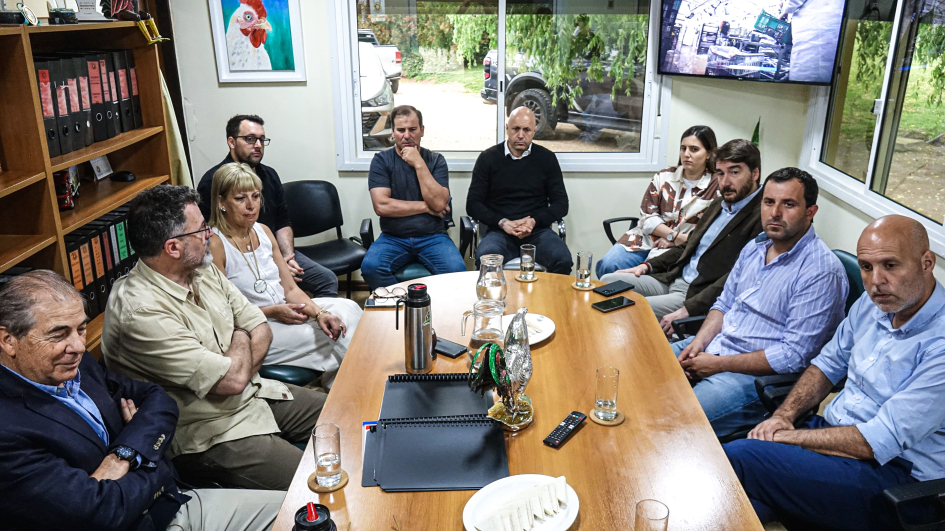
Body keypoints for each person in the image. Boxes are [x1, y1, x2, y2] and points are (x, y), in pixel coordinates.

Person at [0, 270, 283, 531]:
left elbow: (157, 399)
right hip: (145, 521)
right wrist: (151, 459)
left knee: (308, 512)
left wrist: (124, 455)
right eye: (58, 334)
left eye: (81, 329)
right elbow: (100, 512)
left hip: (175, 503)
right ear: (8, 340)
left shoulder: (73, 362)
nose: (78, 346)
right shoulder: (7, 430)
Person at [725, 215, 945, 531]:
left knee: (741, 458)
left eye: (890, 265)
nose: (875, 281)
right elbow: (827, 365)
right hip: (836, 437)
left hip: (895, 477)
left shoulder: (940, 342)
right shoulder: (877, 304)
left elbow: (878, 441)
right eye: (866, 267)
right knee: (742, 493)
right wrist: (783, 417)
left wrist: (783, 438)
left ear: (927, 263)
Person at [102, 185, 326, 490]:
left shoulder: (200, 268)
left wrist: (240, 350)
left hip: (255, 392)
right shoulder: (140, 312)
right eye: (202, 229)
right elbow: (231, 379)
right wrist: (240, 333)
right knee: (317, 483)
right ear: (173, 248)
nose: (210, 234)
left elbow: (260, 327)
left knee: (347, 416)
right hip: (208, 432)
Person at [672, 168, 848, 439]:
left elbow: (793, 356)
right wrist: (699, 343)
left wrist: (718, 364)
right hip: (714, 347)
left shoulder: (821, 272)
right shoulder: (755, 247)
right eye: (769, 202)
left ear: (810, 212)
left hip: (756, 380)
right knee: (639, 376)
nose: (775, 213)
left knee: (674, 419)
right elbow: (724, 303)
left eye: (788, 204)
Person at [208, 162, 361, 389]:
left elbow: (290, 290)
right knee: (334, 336)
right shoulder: (215, 243)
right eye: (240, 199)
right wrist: (273, 311)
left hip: (283, 309)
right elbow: (222, 314)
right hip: (255, 328)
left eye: (256, 196)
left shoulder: (264, 231)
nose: (251, 206)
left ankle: (339, 385)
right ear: (221, 202)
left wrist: (319, 313)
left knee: (348, 309)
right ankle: (358, 388)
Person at [600, 139, 764, 325]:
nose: (725, 182)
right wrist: (647, 266)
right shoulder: (720, 203)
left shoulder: (761, 216)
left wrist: (690, 308)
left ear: (755, 173)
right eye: (720, 173)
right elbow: (689, 245)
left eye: (734, 172)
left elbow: (737, 277)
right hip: (673, 278)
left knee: (626, 308)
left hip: (694, 295)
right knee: (606, 282)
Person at [197, 114, 339, 298]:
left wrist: (287, 258)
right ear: (231, 142)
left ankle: (318, 318)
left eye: (262, 139)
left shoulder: (270, 175)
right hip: (239, 257)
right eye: (250, 139)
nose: (257, 145)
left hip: (274, 251)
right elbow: (206, 233)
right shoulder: (214, 181)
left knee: (326, 280)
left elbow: (282, 221)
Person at [360, 105, 466, 290]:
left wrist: (418, 163)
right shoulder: (381, 160)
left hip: (433, 237)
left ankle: (434, 308)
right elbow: (382, 206)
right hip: (393, 237)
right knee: (371, 268)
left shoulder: (435, 160)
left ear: (422, 130)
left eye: (412, 129)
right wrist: (426, 207)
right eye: (401, 130)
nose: (406, 136)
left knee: (457, 271)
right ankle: (402, 305)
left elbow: (440, 203)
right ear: (392, 132)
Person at [596, 125, 721, 278]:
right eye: (683, 148)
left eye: (694, 149)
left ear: (708, 154)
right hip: (645, 238)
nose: (686, 154)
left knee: (645, 279)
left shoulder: (717, 186)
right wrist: (673, 236)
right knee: (608, 265)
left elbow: (711, 229)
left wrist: (676, 241)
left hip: (681, 247)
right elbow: (647, 217)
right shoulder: (664, 176)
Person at [467, 106, 572, 274]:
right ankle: (494, 300)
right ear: (507, 128)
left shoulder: (547, 158)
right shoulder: (488, 158)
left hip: (537, 232)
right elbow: (473, 204)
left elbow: (561, 204)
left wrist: (533, 221)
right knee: (486, 260)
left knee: (562, 260)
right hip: (500, 232)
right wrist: (503, 223)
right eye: (516, 129)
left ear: (534, 131)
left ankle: (549, 301)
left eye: (527, 130)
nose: (521, 135)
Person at [781, 0, 844, 83]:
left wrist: (785, 8)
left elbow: (793, 2)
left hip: (814, 25)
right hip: (832, 21)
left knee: (808, 68)